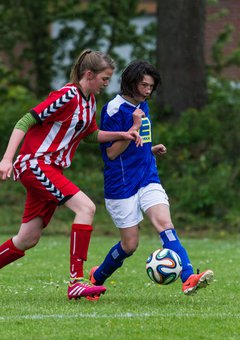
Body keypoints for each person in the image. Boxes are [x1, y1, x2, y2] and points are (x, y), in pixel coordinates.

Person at [0, 49, 142, 301]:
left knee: (27, 238)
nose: (106, 85)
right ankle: (76, 281)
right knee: (86, 208)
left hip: (49, 169)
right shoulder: (67, 96)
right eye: (104, 79)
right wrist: (7, 159)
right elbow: (25, 121)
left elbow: (90, 136)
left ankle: (76, 281)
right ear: (89, 74)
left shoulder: (89, 102)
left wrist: (124, 134)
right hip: (35, 163)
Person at [89, 59, 214, 296]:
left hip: (147, 176)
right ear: (131, 83)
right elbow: (112, 153)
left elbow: (136, 143)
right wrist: (133, 129)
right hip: (121, 185)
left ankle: (188, 278)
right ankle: (97, 277)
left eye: (151, 86)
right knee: (130, 245)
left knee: (165, 225)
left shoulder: (142, 104)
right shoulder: (114, 110)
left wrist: (149, 148)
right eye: (144, 85)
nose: (148, 90)